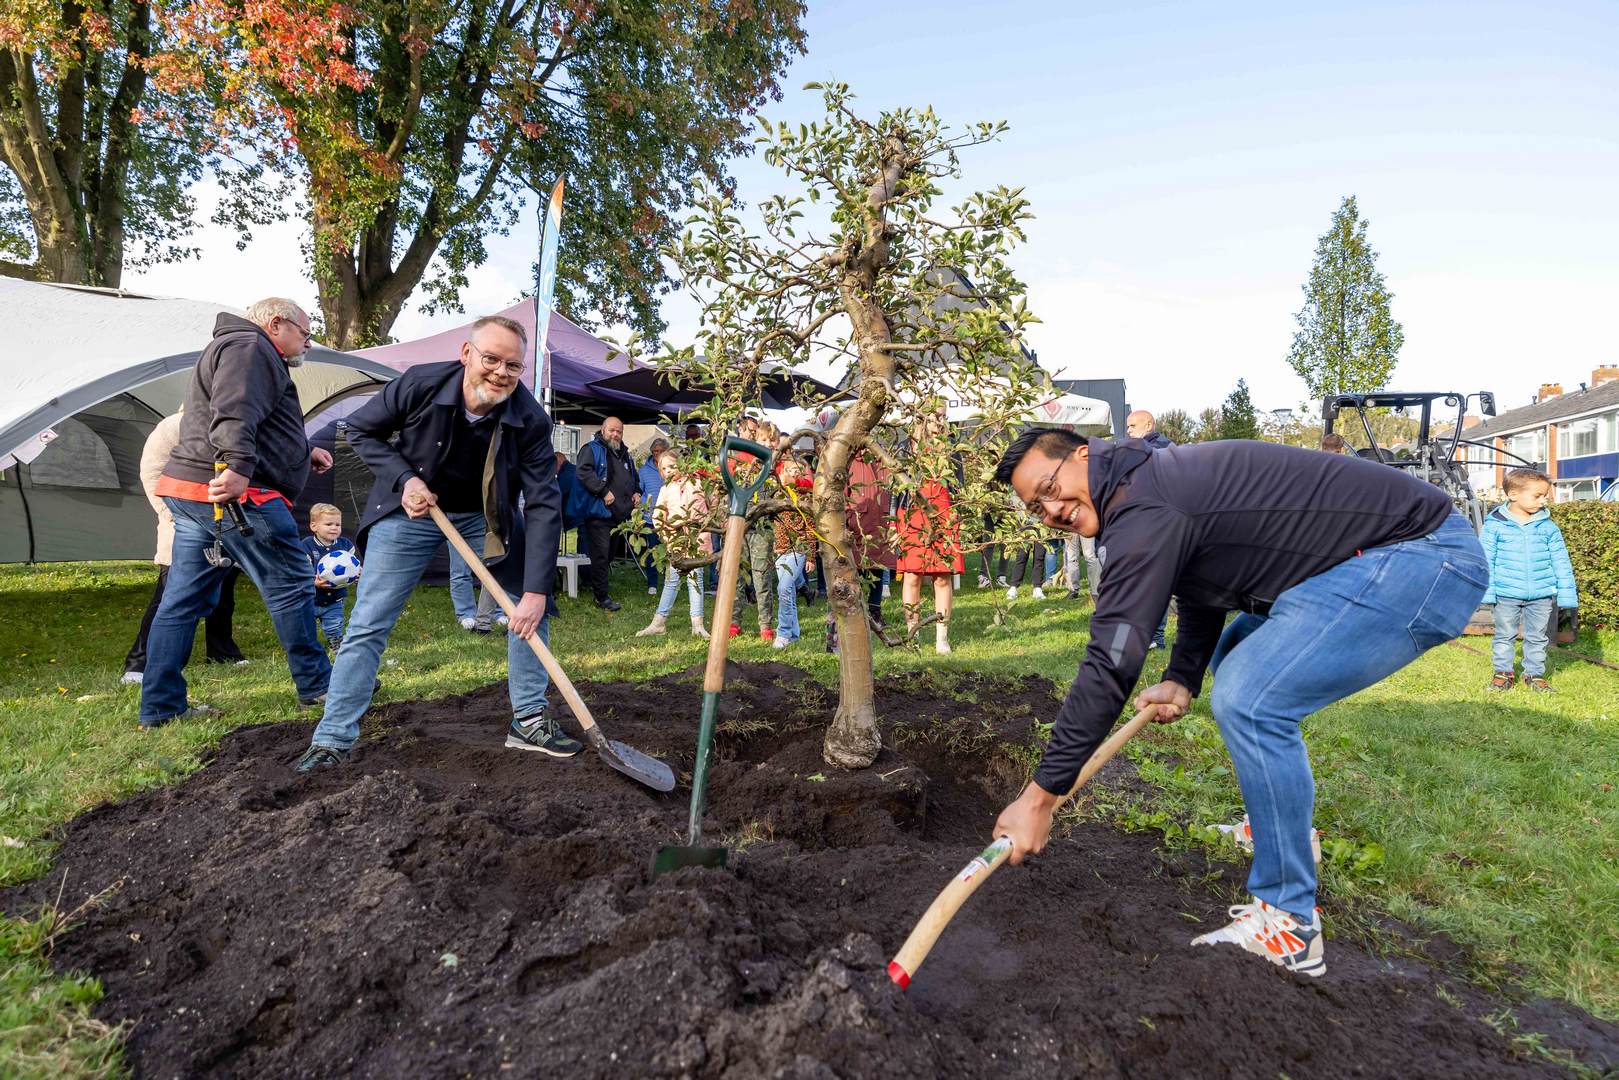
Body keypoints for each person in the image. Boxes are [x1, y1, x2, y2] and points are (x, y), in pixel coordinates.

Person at [991, 428, 1485, 977]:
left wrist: (1040, 798)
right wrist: (1182, 675)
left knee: (1252, 699)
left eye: (1051, 488)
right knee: (1241, 654)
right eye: (1037, 507)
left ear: (1083, 454)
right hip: (1376, 557)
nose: (1052, 509)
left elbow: (1113, 659)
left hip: (1423, 557)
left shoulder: (1147, 504)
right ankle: (1277, 827)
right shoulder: (1150, 481)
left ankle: (1288, 923)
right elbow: (1204, 580)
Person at [296, 315, 579, 770]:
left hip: (486, 518)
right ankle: (332, 738)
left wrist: (537, 590)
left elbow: (545, 502)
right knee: (369, 621)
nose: (501, 373)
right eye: (491, 359)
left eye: (513, 365)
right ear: (467, 354)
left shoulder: (530, 418)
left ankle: (528, 720)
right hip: (411, 510)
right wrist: (404, 478)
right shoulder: (420, 385)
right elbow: (361, 430)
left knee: (530, 609)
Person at [138, 298, 334, 731]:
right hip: (241, 497)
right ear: (277, 323)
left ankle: (160, 706)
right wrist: (237, 467)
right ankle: (320, 685)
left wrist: (303, 451)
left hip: (192, 494)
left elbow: (254, 419)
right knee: (290, 586)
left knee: (181, 601)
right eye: (304, 332)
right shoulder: (251, 346)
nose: (308, 342)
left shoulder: (238, 346)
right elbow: (235, 409)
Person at [122, 409, 248, 685]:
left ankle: (221, 651)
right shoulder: (173, 425)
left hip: (226, 524)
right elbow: (152, 472)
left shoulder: (237, 424)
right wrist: (172, 513)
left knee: (222, 595)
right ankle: (139, 662)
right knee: (168, 597)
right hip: (181, 524)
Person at [1481, 468, 1577, 693]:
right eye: (1538, 496)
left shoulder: (1548, 528)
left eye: (1545, 496)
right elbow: (1485, 560)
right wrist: (1487, 592)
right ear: (1513, 494)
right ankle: (1503, 673)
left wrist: (1566, 594)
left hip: (1541, 595)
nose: (1544, 501)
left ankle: (1534, 674)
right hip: (1506, 594)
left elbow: (1561, 562)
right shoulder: (1494, 526)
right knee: (1504, 635)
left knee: (1537, 637)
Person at [895, 420, 961, 655]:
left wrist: (957, 515)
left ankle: (942, 638)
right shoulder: (906, 446)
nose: (941, 422)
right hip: (912, 514)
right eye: (935, 416)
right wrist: (895, 521)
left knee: (942, 577)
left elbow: (959, 486)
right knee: (912, 576)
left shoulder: (952, 447)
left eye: (944, 416)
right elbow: (896, 488)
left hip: (943, 512)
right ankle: (913, 634)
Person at [635, 450, 712, 639]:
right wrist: (667, 537)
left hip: (697, 541)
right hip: (676, 543)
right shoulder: (665, 490)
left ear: (682, 464)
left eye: (672, 466)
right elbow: (658, 516)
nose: (668, 470)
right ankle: (658, 622)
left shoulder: (697, 483)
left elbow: (712, 505)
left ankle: (697, 624)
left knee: (696, 579)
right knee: (671, 581)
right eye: (663, 468)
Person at [575, 416, 640, 611]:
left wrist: (637, 492)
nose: (615, 434)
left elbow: (633, 478)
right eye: (612, 430)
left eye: (619, 431)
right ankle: (601, 597)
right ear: (602, 429)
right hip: (599, 515)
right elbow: (583, 472)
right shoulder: (591, 449)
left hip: (619, 516)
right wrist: (603, 491)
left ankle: (595, 584)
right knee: (601, 556)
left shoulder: (625, 454)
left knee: (610, 555)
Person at [1125, 409, 1176, 648]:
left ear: (1149, 425)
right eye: (1127, 426)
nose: (1128, 430)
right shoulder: (1138, 449)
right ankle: (1151, 636)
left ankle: (1154, 636)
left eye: (1133, 425)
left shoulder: (1162, 449)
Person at [729, 415, 776, 640]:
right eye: (764, 439)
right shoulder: (738, 459)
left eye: (771, 441)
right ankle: (733, 622)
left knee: (761, 576)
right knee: (735, 575)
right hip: (739, 524)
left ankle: (765, 625)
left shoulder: (772, 464)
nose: (768, 444)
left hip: (762, 527)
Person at [771, 456, 818, 649]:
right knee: (788, 592)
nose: (791, 475)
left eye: (797, 472)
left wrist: (810, 555)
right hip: (780, 550)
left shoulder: (804, 496)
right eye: (789, 471)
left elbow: (810, 527)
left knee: (783, 588)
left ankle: (782, 633)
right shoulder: (775, 495)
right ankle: (794, 634)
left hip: (798, 549)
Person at [303, 503, 356, 652]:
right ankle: (308, 646)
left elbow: (352, 566)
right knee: (306, 626)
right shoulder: (306, 546)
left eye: (337, 524)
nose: (334, 528)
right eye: (328, 524)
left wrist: (357, 574)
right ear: (314, 526)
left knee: (334, 624)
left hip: (335, 598)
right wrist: (313, 581)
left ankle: (336, 643)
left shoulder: (345, 545)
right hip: (310, 598)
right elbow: (301, 571)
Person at [638, 437, 670, 595]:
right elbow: (638, 491)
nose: (657, 454)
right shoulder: (644, 471)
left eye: (660, 451)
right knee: (651, 551)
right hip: (649, 518)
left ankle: (668, 582)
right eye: (654, 451)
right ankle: (652, 583)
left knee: (667, 551)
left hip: (669, 519)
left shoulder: (670, 469)